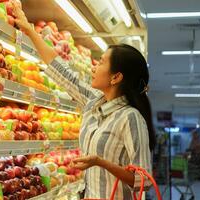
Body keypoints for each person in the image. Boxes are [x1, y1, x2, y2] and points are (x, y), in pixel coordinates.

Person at [11, 2, 155, 199]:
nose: (94, 68)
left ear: (116, 77)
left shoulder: (131, 118)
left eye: (102, 62)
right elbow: (61, 70)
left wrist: (101, 162)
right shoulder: (94, 102)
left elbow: (144, 181)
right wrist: (29, 30)